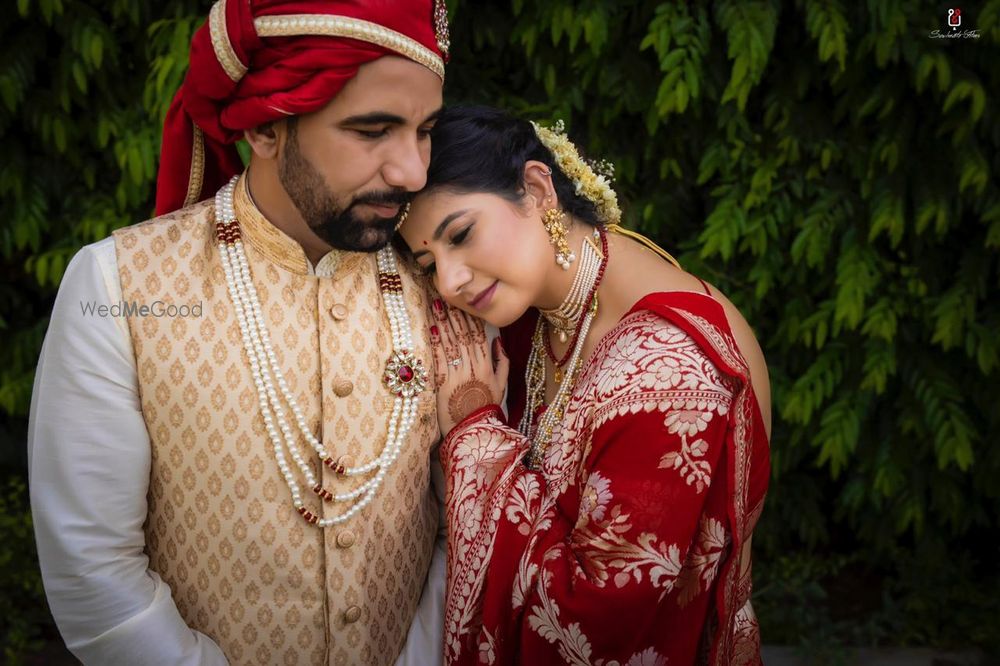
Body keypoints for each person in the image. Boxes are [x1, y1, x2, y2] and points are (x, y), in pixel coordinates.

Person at [28, 1, 455, 664]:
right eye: (374, 130)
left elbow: (469, 527)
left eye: (425, 130)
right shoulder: (118, 286)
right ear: (265, 129)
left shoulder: (448, 279)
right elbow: (94, 574)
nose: (413, 172)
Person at [397, 106, 772, 665]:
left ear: (537, 187)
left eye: (462, 234)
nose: (449, 281)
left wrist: (476, 435)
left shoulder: (668, 377)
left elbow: (589, 629)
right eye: (428, 262)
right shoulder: (547, 311)